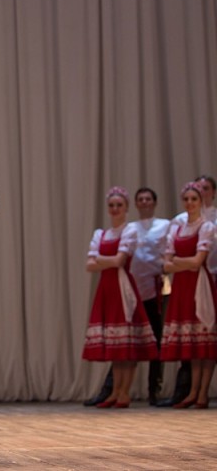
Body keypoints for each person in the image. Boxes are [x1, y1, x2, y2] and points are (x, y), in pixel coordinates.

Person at [83, 187, 170, 406]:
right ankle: (115, 391)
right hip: (107, 287)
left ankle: (124, 392)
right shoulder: (100, 233)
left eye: (119, 205)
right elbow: (89, 265)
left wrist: (102, 259)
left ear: (126, 207)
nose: (115, 209)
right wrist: (107, 260)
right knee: (115, 341)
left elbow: (118, 261)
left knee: (127, 342)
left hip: (124, 286)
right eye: (111, 205)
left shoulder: (129, 231)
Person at [157, 174, 216, 407]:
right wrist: (183, 262)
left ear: (201, 200)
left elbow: (197, 261)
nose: (190, 203)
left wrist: (179, 262)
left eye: (194, 198)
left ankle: (203, 392)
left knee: (204, 339)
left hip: (199, 284)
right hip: (182, 285)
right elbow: (165, 264)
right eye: (187, 199)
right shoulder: (178, 228)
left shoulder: (207, 226)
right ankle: (193, 391)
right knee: (192, 341)